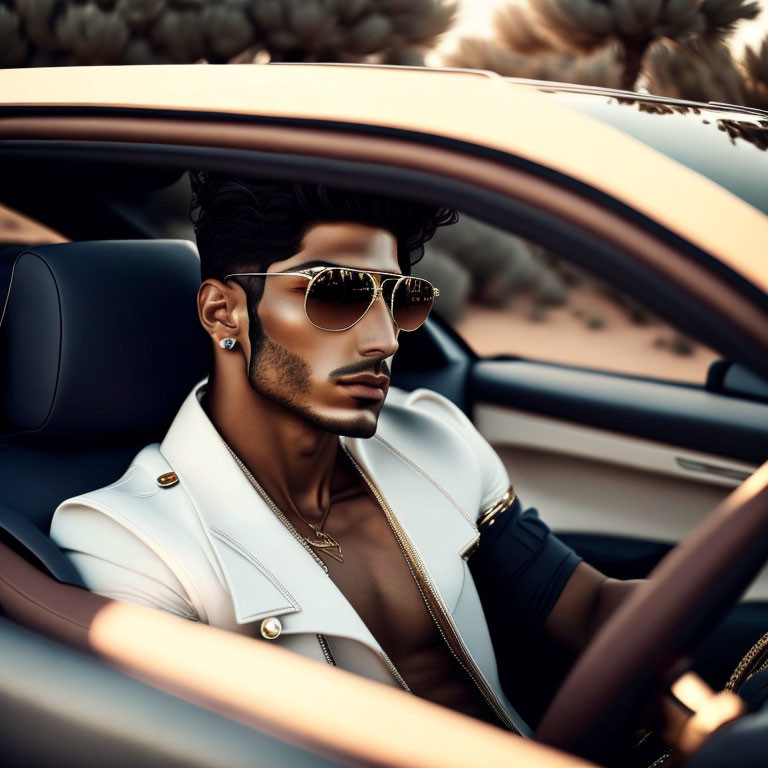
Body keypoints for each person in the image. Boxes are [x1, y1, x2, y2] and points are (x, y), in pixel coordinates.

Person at [50, 173, 638, 735]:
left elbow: (586, 610)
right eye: (334, 294)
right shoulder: (135, 546)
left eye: (401, 299)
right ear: (222, 312)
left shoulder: (435, 439)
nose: (384, 338)